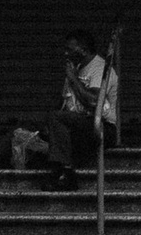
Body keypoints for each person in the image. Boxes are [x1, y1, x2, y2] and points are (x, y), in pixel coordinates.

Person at [37, 29, 119, 188]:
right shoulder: (77, 68)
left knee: (56, 117)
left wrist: (73, 78)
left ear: (83, 49)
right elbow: (65, 103)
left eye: (70, 49)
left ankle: (64, 172)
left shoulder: (101, 68)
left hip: (102, 125)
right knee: (34, 127)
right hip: (79, 123)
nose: (66, 53)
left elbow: (95, 102)